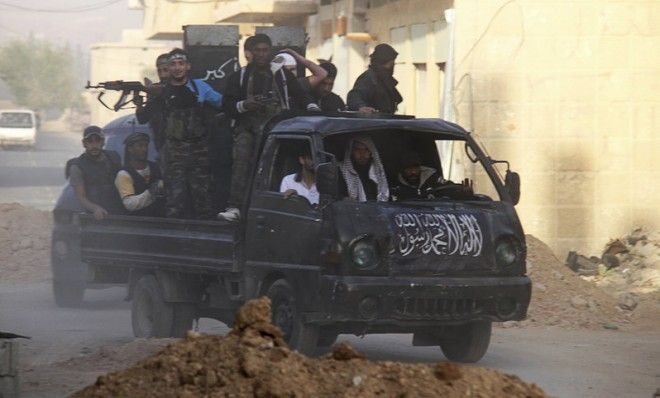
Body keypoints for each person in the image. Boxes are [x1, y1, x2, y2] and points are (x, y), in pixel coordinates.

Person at [218, 33, 318, 221]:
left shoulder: (282, 74)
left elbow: (300, 93)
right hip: (247, 128)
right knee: (241, 161)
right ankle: (235, 207)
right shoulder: (238, 77)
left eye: (265, 50)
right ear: (251, 53)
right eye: (258, 51)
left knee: (278, 166)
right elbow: (227, 106)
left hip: (276, 130)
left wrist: (313, 107)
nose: (262, 55)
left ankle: (276, 208)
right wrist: (245, 105)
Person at [156, 48, 223, 219]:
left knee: (203, 198)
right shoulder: (161, 91)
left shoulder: (199, 86)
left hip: (199, 151)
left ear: (188, 66)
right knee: (174, 199)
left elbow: (222, 103)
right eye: (173, 64)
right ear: (168, 68)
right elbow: (146, 119)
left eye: (181, 63)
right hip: (173, 153)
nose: (177, 68)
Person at [65, 126, 123, 220]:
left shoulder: (114, 158)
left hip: (118, 213)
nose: (94, 145)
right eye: (90, 141)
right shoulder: (77, 167)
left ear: (103, 142)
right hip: (94, 216)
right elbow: (81, 197)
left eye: (97, 140)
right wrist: (95, 208)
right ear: (84, 143)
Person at [114, 132, 165, 216]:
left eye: (146, 146)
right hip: (136, 224)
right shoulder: (123, 174)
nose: (144, 149)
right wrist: (152, 191)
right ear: (130, 149)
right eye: (140, 146)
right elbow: (130, 204)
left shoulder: (155, 167)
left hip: (159, 222)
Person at [392, 150, 475, 201]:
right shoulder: (395, 184)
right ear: (402, 170)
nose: (413, 172)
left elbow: (448, 187)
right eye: (409, 169)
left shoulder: (431, 177)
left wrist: (462, 192)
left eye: (416, 168)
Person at [347, 43, 403, 114]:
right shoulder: (368, 78)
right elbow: (354, 96)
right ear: (381, 63)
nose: (392, 67)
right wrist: (361, 107)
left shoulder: (384, 80)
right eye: (391, 64)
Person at [135, 53, 170, 155]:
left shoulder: (179, 88)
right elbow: (142, 119)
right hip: (161, 145)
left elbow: (166, 91)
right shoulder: (153, 91)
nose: (162, 74)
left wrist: (145, 89)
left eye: (165, 70)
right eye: (159, 71)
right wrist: (139, 105)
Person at [338, 135, 389, 202]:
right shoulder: (340, 170)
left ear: (371, 151)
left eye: (366, 150)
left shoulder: (378, 170)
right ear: (352, 151)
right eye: (358, 150)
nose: (362, 154)